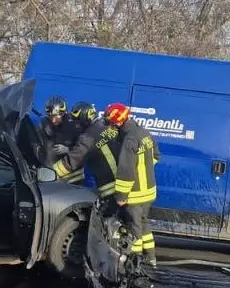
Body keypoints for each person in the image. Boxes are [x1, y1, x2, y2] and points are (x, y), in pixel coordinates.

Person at [53, 102, 159, 266]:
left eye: (76, 121)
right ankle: (150, 258)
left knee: (125, 225)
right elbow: (152, 158)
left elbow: (72, 162)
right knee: (141, 223)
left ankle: (132, 262)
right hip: (142, 189)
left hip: (115, 188)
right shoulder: (117, 129)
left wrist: (50, 173)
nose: (74, 124)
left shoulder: (89, 136)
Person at [40, 96, 78, 166]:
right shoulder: (44, 124)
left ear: (63, 113)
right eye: (50, 116)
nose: (53, 120)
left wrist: (68, 150)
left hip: (71, 164)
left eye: (55, 116)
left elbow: (84, 148)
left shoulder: (74, 125)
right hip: (52, 165)